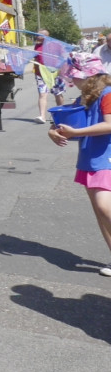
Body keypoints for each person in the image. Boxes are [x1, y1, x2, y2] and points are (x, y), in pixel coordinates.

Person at [46, 52, 111, 277]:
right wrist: (53, 131)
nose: (73, 82)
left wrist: (78, 132)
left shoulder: (108, 93)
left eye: (76, 77)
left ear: (90, 76)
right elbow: (65, 120)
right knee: (100, 213)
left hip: (106, 158)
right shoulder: (85, 97)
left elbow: (109, 125)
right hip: (88, 159)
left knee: (104, 206)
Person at [33, 30, 66, 123]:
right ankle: (42, 116)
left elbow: (63, 56)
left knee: (58, 93)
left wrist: (62, 70)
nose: (36, 36)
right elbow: (35, 59)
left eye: (38, 35)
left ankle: (60, 114)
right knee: (42, 94)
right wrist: (36, 72)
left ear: (45, 36)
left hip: (55, 73)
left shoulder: (56, 45)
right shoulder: (38, 46)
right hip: (41, 74)